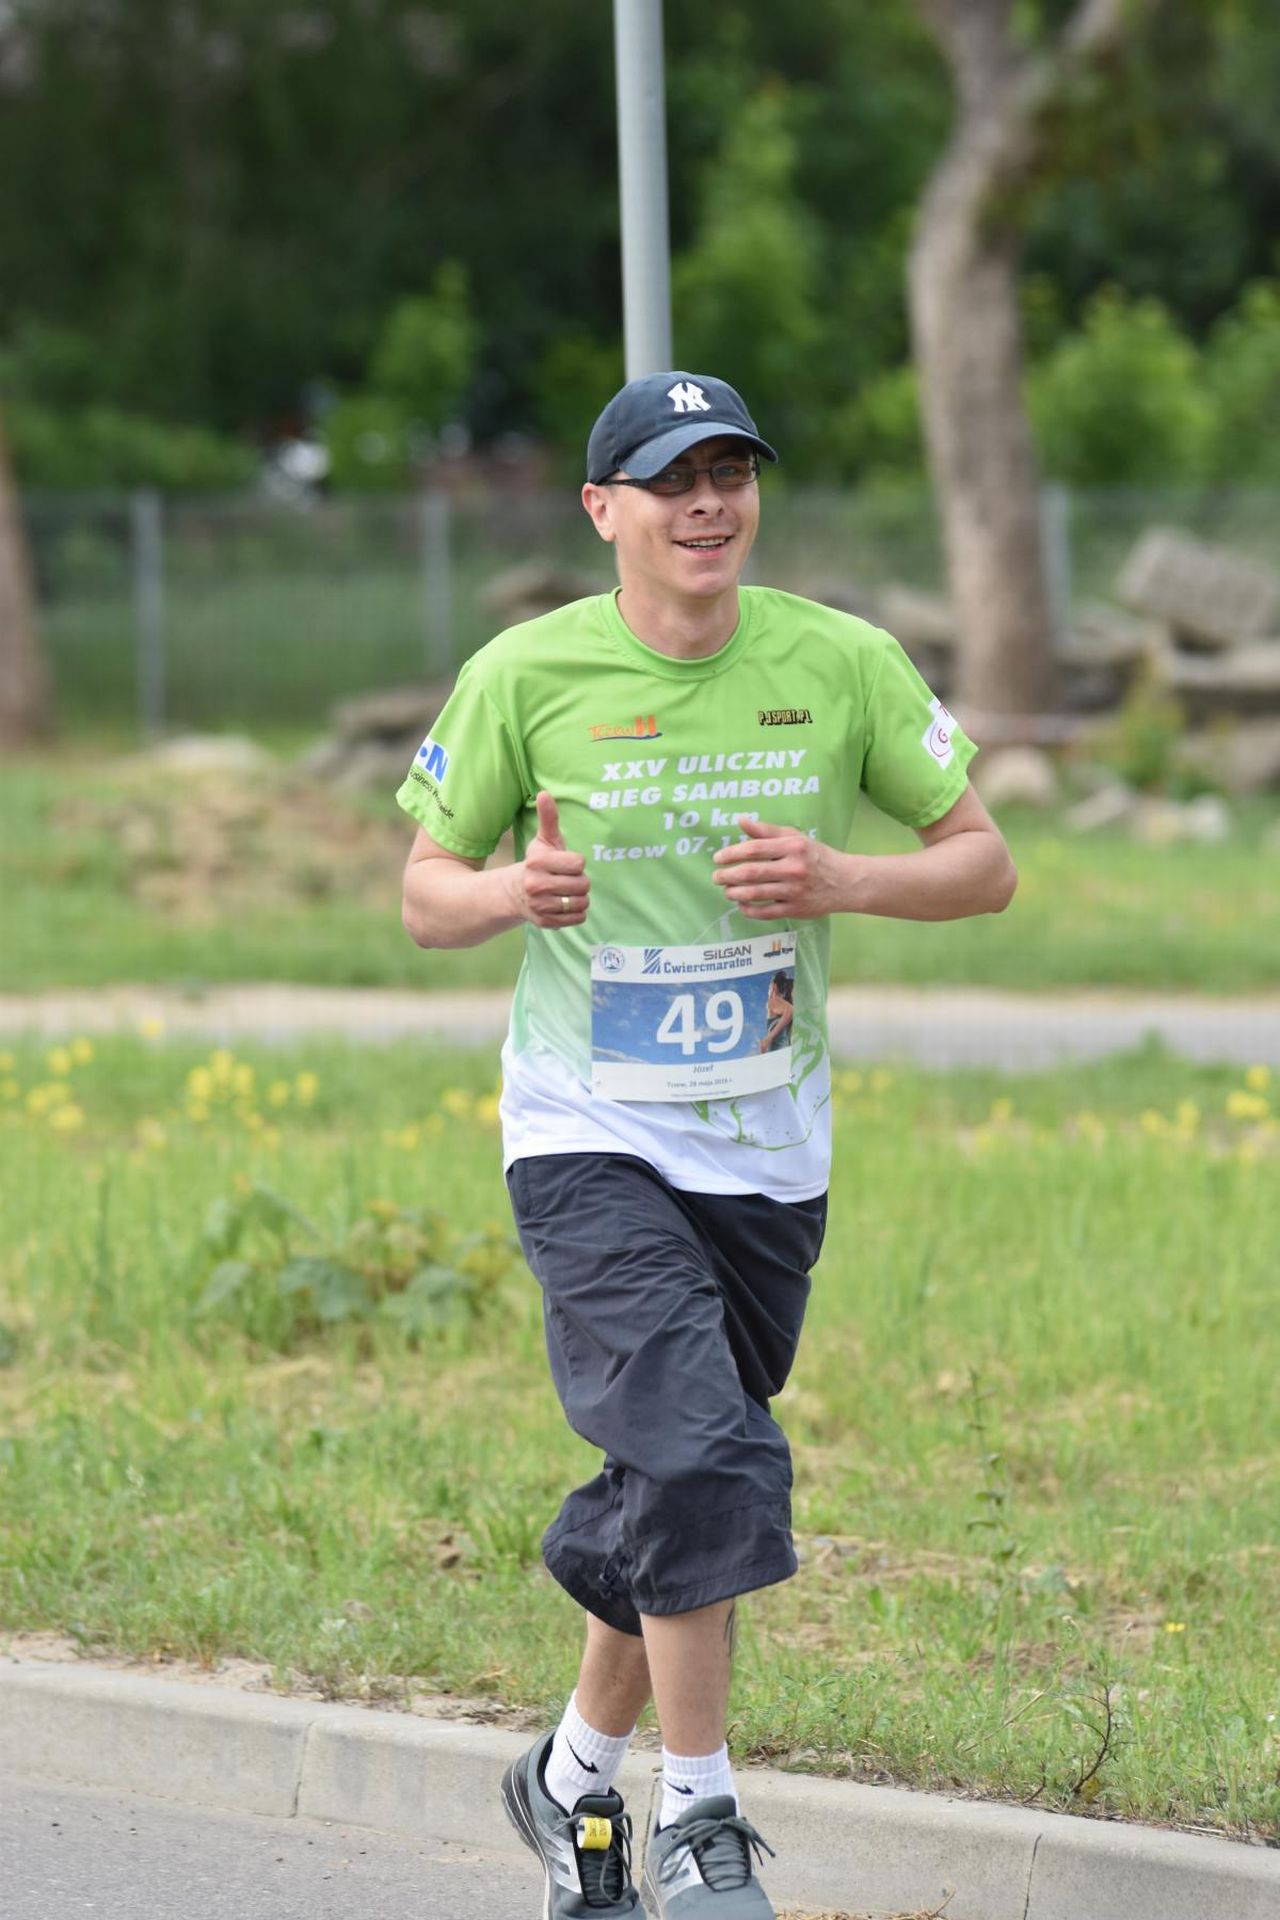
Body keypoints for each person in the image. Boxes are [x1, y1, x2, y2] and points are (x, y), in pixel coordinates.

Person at [398, 370, 1016, 1919]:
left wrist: (841, 879)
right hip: (587, 1131)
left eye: (731, 474)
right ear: (602, 509)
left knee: (678, 1469)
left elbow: (986, 864)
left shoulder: (842, 660)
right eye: (673, 480)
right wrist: (511, 896)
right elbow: (424, 895)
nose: (708, 505)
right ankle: (701, 1817)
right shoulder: (525, 673)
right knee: (700, 1454)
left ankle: (567, 1783)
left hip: (768, 1149)